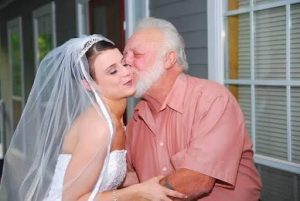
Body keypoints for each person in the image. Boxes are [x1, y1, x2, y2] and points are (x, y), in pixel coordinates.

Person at [0, 34, 187, 201]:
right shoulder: (99, 128)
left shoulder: (118, 120)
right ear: (89, 84)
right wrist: (138, 192)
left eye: (124, 63)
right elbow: (71, 199)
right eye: (112, 71)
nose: (126, 72)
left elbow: (108, 177)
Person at [123, 17, 262, 201]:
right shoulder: (136, 118)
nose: (125, 61)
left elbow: (195, 179)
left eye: (136, 54)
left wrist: (130, 197)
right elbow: (133, 178)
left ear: (169, 59)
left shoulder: (212, 100)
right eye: (124, 55)